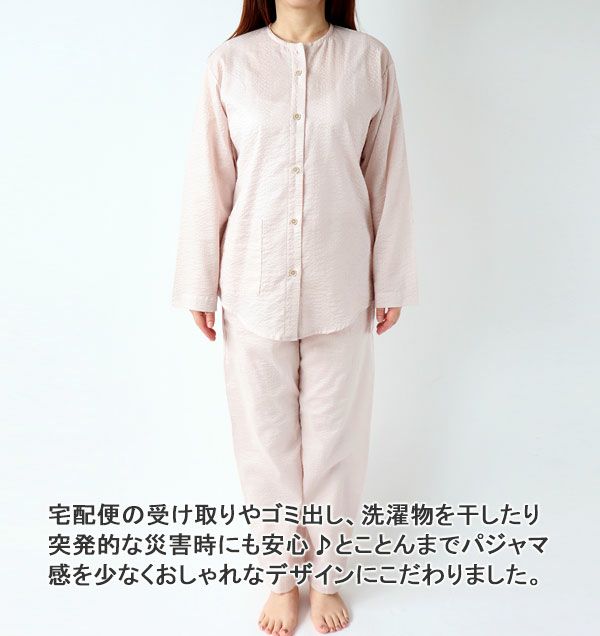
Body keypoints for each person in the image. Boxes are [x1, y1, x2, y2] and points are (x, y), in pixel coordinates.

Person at [172, 0, 419, 633]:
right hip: (251, 285)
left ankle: (328, 575)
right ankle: (282, 575)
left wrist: (391, 276)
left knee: (336, 441)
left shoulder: (370, 62)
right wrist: (199, 281)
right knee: (265, 443)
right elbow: (209, 178)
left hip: (342, 285)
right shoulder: (229, 65)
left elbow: (387, 176)